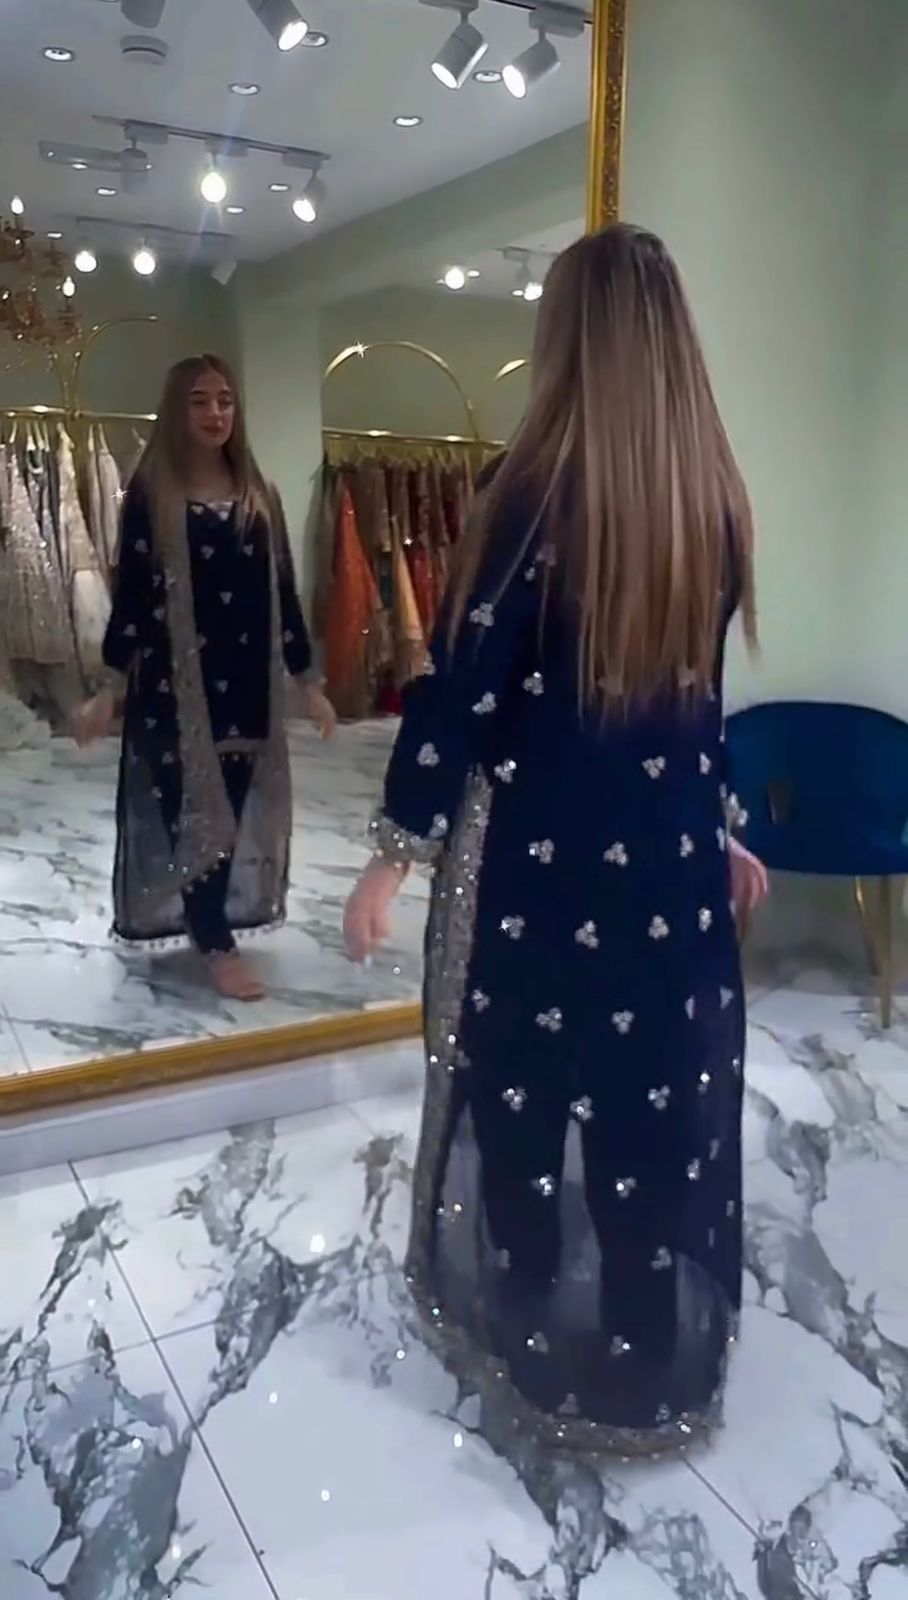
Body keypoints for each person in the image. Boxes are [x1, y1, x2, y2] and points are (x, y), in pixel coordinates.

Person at [343, 225, 768, 1455]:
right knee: (645, 1106)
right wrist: (716, 828)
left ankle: (528, 1328)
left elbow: (462, 689)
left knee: (521, 1094)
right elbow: (700, 711)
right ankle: (643, 1346)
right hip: (666, 876)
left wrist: (393, 849)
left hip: (541, 866)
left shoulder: (529, 496)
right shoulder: (711, 500)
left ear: (567, 338)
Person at [74, 354, 335, 1001]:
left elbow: (282, 590)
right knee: (190, 814)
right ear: (176, 410)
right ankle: (215, 938)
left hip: (245, 686)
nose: (215, 413)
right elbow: (134, 596)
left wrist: (307, 680)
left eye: (224, 400)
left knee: (230, 810)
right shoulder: (152, 495)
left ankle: (207, 922)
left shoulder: (258, 495)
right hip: (174, 688)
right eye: (199, 401)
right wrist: (109, 687)